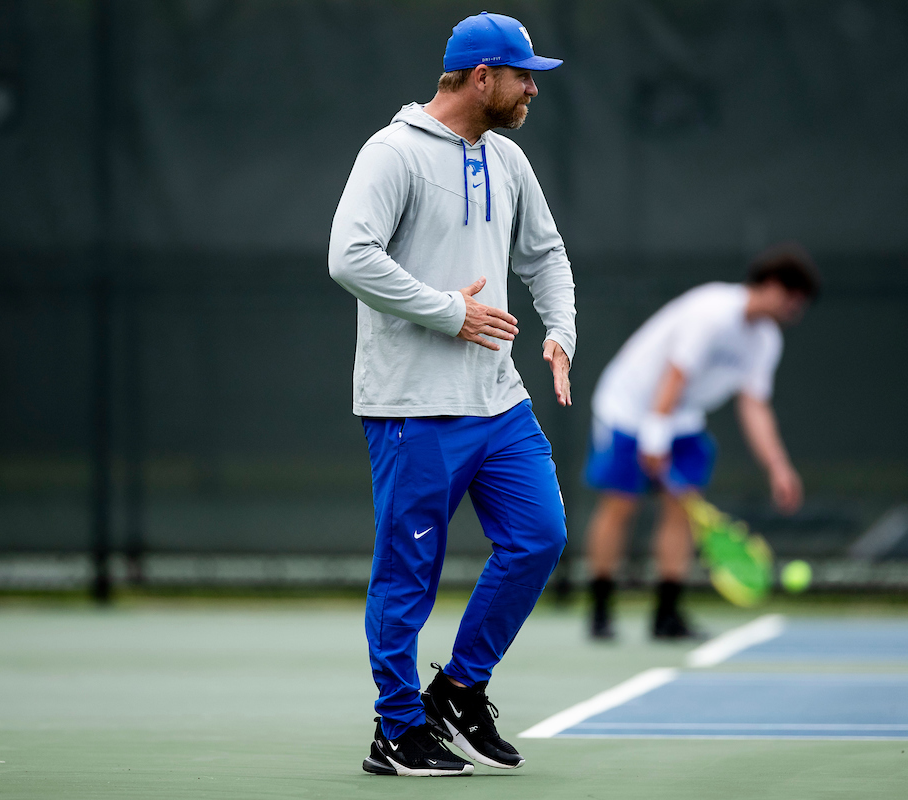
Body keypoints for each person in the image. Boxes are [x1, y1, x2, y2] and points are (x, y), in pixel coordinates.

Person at [327, 12, 575, 777]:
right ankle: (396, 730)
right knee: (408, 576)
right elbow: (349, 256)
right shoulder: (392, 153)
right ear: (481, 78)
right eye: (522, 74)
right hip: (412, 408)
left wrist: (559, 329)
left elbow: (546, 254)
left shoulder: (508, 159)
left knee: (540, 536)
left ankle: (459, 690)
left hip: (500, 402)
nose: (532, 87)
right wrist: (450, 310)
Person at [582, 245, 819, 640]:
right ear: (775, 287)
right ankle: (600, 611)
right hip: (627, 407)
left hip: (682, 418)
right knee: (621, 504)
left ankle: (666, 615)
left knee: (682, 507)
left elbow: (754, 406)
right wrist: (654, 437)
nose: (798, 310)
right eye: (796, 299)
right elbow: (673, 376)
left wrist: (778, 466)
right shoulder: (712, 312)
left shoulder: (765, 341)